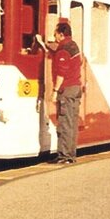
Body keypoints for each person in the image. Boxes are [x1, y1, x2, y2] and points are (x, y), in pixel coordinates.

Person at [37, 21, 82, 165]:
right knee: (72, 123)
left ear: (61, 34)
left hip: (66, 90)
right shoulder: (73, 46)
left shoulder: (63, 50)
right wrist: (43, 44)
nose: (54, 36)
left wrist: (55, 91)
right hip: (76, 88)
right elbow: (57, 53)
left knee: (64, 124)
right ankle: (70, 154)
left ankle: (64, 156)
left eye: (55, 33)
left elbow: (61, 73)